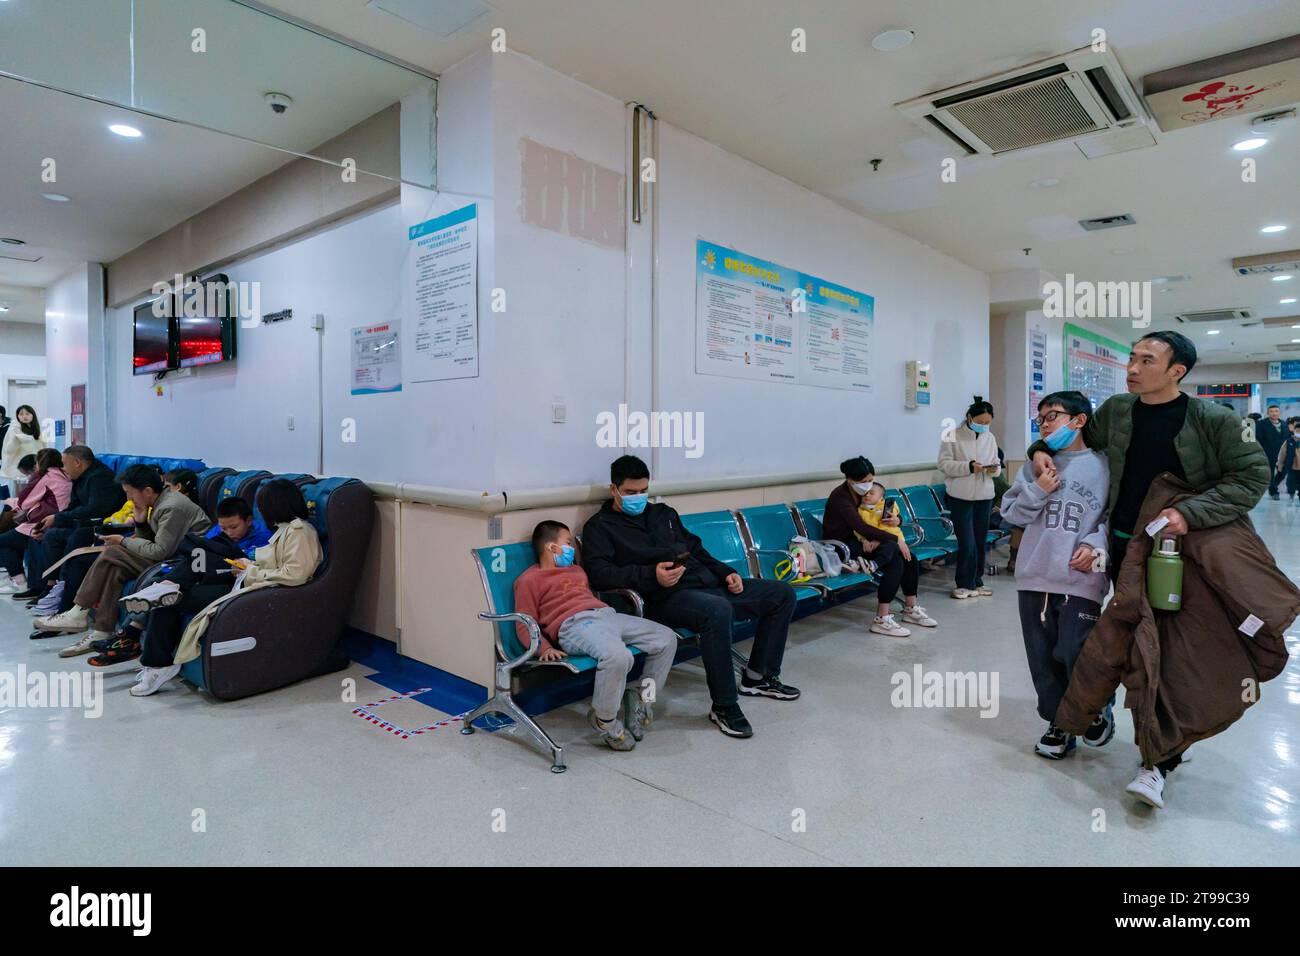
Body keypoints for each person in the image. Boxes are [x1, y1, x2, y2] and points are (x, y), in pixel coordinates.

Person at [1030, 330, 1270, 807]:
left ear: (1177, 371)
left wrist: (1189, 513)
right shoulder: (1119, 411)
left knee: (1165, 650)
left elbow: (1252, 476)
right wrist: (1039, 449)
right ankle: (1088, 722)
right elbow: (1072, 440)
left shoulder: (1211, 420)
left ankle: (1158, 760)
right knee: (1115, 642)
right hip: (1123, 552)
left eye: (1146, 360)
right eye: (1132, 358)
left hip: (1177, 558)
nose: (1133, 368)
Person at [582, 455, 799, 739]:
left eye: (643, 491)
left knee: (781, 594)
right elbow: (600, 575)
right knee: (717, 611)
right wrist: (651, 576)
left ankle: (758, 677)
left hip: (706, 585)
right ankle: (724, 705)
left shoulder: (663, 514)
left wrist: (725, 572)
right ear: (614, 490)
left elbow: (696, 549)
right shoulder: (600, 527)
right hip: (662, 599)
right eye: (631, 492)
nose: (638, 497)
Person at [1000, 391, 1113, 759]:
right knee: (1043, 659)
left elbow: (1115, 517)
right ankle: (1060, 724)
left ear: (1079, 420)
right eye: (1041, 419)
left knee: (1077, 652)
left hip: (1082, 578)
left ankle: (1094, 709)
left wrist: (1097, 545)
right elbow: (1012, 515)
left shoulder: (1105, 465)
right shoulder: (1036, 465)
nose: (1045, 424)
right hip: (1035, 576)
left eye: (1053, 416)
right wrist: (1037, 489)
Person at [135, 479, 324, 697]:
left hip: (256, 590)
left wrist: (250, 571)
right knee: (172, 594)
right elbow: (277, 566)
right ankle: (157, 658)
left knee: (172, 598)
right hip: (247, 581)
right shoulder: (286, 530)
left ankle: (158, 657)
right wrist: (249, 565)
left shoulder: (300, 532)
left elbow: (295, 575)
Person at [512, 520, 677, 750]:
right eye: (568, 542)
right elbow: (524, 622)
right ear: (552, 548)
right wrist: (544, 648)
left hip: (606, 616)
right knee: (618, 657)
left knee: (666, 638)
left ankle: (642, 698)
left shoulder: (577, 570)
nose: (571, 548)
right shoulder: (529, 580)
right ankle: (604, 720)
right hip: (575, 625)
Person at [33, 463, 212, 658]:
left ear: (148, 491)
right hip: (173, 556)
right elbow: (152, 541)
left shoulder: (171, 507)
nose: (128, 498)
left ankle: (78, 611)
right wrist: (141, 522)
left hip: (186, 564)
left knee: (113, 553)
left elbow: (160, 551)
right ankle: (102, 630)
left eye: (130, 493)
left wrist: (123, 540)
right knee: (116, 569)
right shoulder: (160, 501)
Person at [86, 496, 273, 667]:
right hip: (204, 575)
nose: (229, 532)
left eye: (234, 527)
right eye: (224, 528)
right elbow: (200, 553)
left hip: (231, 579)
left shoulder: (263, 538)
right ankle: (135, 637)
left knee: (167, 591)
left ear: (248, 521)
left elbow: (259, 565)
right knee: (165, 589)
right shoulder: (218, 531)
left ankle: (130, 636)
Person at [824, 459, 937, 637]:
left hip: (865, 540)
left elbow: (880, 516)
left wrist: (897, 521)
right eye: (863, 482)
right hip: (844, 547)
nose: (868, 486)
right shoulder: (841, 497)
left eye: (871, 479)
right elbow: (861, 527)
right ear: (850, 480)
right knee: (896, 561)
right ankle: (881, 618)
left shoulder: (866, 492)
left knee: (909, 558)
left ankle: (910, 608)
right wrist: (895, 540)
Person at [15, 445, 125, 603]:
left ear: (77, 462)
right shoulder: (81, 478)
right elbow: (74, 506)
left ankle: (62, 590)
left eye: (65, 464)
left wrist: (59, 519)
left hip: (99, 526)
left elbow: (95, 509)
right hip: (83, 522)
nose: (63, 468)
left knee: (63, 536)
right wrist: (55, 519)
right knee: (43, 534)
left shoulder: (100, 478)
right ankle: (47, 586)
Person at [938, 396, 1001, 599]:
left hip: (984, 495)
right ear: (969, 417)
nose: (984, 426)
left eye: (987, 423)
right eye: (980, 422)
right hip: (960, 496)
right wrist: (968, 466)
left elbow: (995, 463)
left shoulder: (989, 437)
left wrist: (993, 468)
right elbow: (943, 464)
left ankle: (977, 581)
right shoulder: (951, 434)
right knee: (967, 542)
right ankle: (963, 583)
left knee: (980, 541)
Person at [0, 448, 71, 594]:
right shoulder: (65, 474)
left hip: (44, 522)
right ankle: (18, 578)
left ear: (39, 463)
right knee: (12, 539)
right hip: (60, 519)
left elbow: (24, 502)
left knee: (4, 541)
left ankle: (19, 581)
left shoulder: (45, 476)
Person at [0, 404, 45, 484]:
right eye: (21, 414)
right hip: (18, 472)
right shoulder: (14, 429)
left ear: (32, 415)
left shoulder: (37, 429)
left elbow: (42, 449)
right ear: (18, 416)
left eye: (27, 414)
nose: (24, 416)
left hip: (35, 469)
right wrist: (16, 441)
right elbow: (8, 450)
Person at [1255, 405, 1287, 500]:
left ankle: (1273, 485)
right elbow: (1258, 439)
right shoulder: (1261, 424)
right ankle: (1273, 491)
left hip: (1282, 454)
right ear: (1268, 413)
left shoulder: (1284, 424)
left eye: (1276, 411)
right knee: (1270, 473)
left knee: (1283, 472)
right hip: (1267, 453)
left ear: (1279, 413)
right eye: (1271, 411)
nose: (1274, 413)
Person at [1277, 417, 1300, 501]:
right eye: (1297, 431)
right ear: (1294, 431)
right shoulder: (1289, 441)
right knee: (1291, 483)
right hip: (1292, 467)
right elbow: (1282, 454)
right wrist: (1280, 465)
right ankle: (1291, 495)